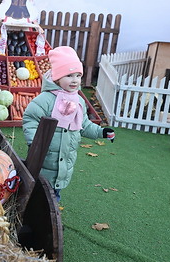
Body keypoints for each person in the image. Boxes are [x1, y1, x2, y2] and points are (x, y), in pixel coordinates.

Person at [22, 46, 115, 202]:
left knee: (54, 196)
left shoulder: (78, 101)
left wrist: (101, 132)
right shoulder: (46, 100)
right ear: (57, 77)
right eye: (69, 75)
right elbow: (30, 120)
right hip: (44, 159)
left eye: (78, 75)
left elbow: (84, 124)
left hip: (64, 161)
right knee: (39, 195)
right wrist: (35, 143)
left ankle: (49, 221)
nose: (75, 80)